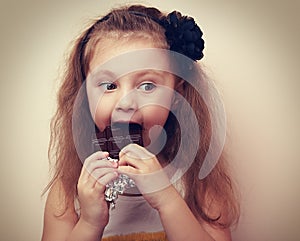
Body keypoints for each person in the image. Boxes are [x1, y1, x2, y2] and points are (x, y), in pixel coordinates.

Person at [41, 4, 239, 241]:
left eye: (147, 85)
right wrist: (90, 222)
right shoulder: (68, 193)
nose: (126, 103)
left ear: (178, 96)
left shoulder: (197, 185)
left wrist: (167, 199)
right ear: (85, 97)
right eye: (109, 85)